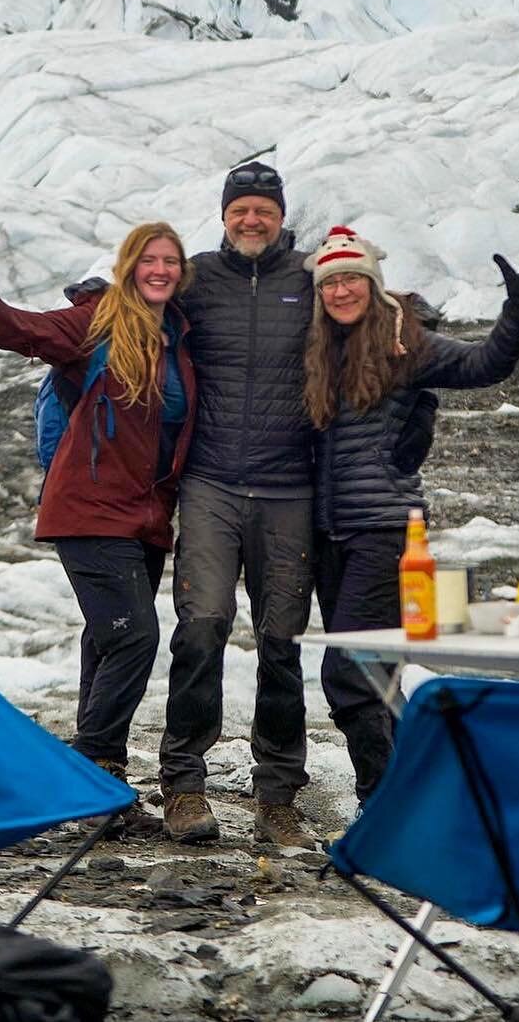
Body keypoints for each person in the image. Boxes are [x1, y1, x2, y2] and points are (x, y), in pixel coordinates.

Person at [0, 217, 197, 826]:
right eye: (149, 259)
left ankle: (89, 785)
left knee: (107, 639)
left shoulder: (179, 336)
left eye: (171, 261)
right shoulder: (94, 324)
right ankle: (94, 775)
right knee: (135, 636)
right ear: (128, 267)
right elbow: (9, 327)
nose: (161, 270)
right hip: (88, 509)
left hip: (144, 519)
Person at [303, 225, 519, 804]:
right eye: (331, 282)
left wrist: (518, 311)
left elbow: (486, 365)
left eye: (352, 279)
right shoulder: (314, 349)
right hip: (325, 532)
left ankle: (383, 804)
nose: (342, 291)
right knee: (380, 673)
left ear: (374, 284)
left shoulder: (403, 345)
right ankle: (417, 796)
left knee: (352, 671)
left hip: (385, 527)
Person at [158, 162, 320, 849]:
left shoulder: (311, 279)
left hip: (290, 488)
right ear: (223, 215)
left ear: (280, 217)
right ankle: (184, 786)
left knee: (280, 642)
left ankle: (277, 795)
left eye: (263, 210)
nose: (251, 220)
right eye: (239, 210)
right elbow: (130, 312)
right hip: (211, 484)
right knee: (202, 625)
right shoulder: (195, 279)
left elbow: (372, 316)